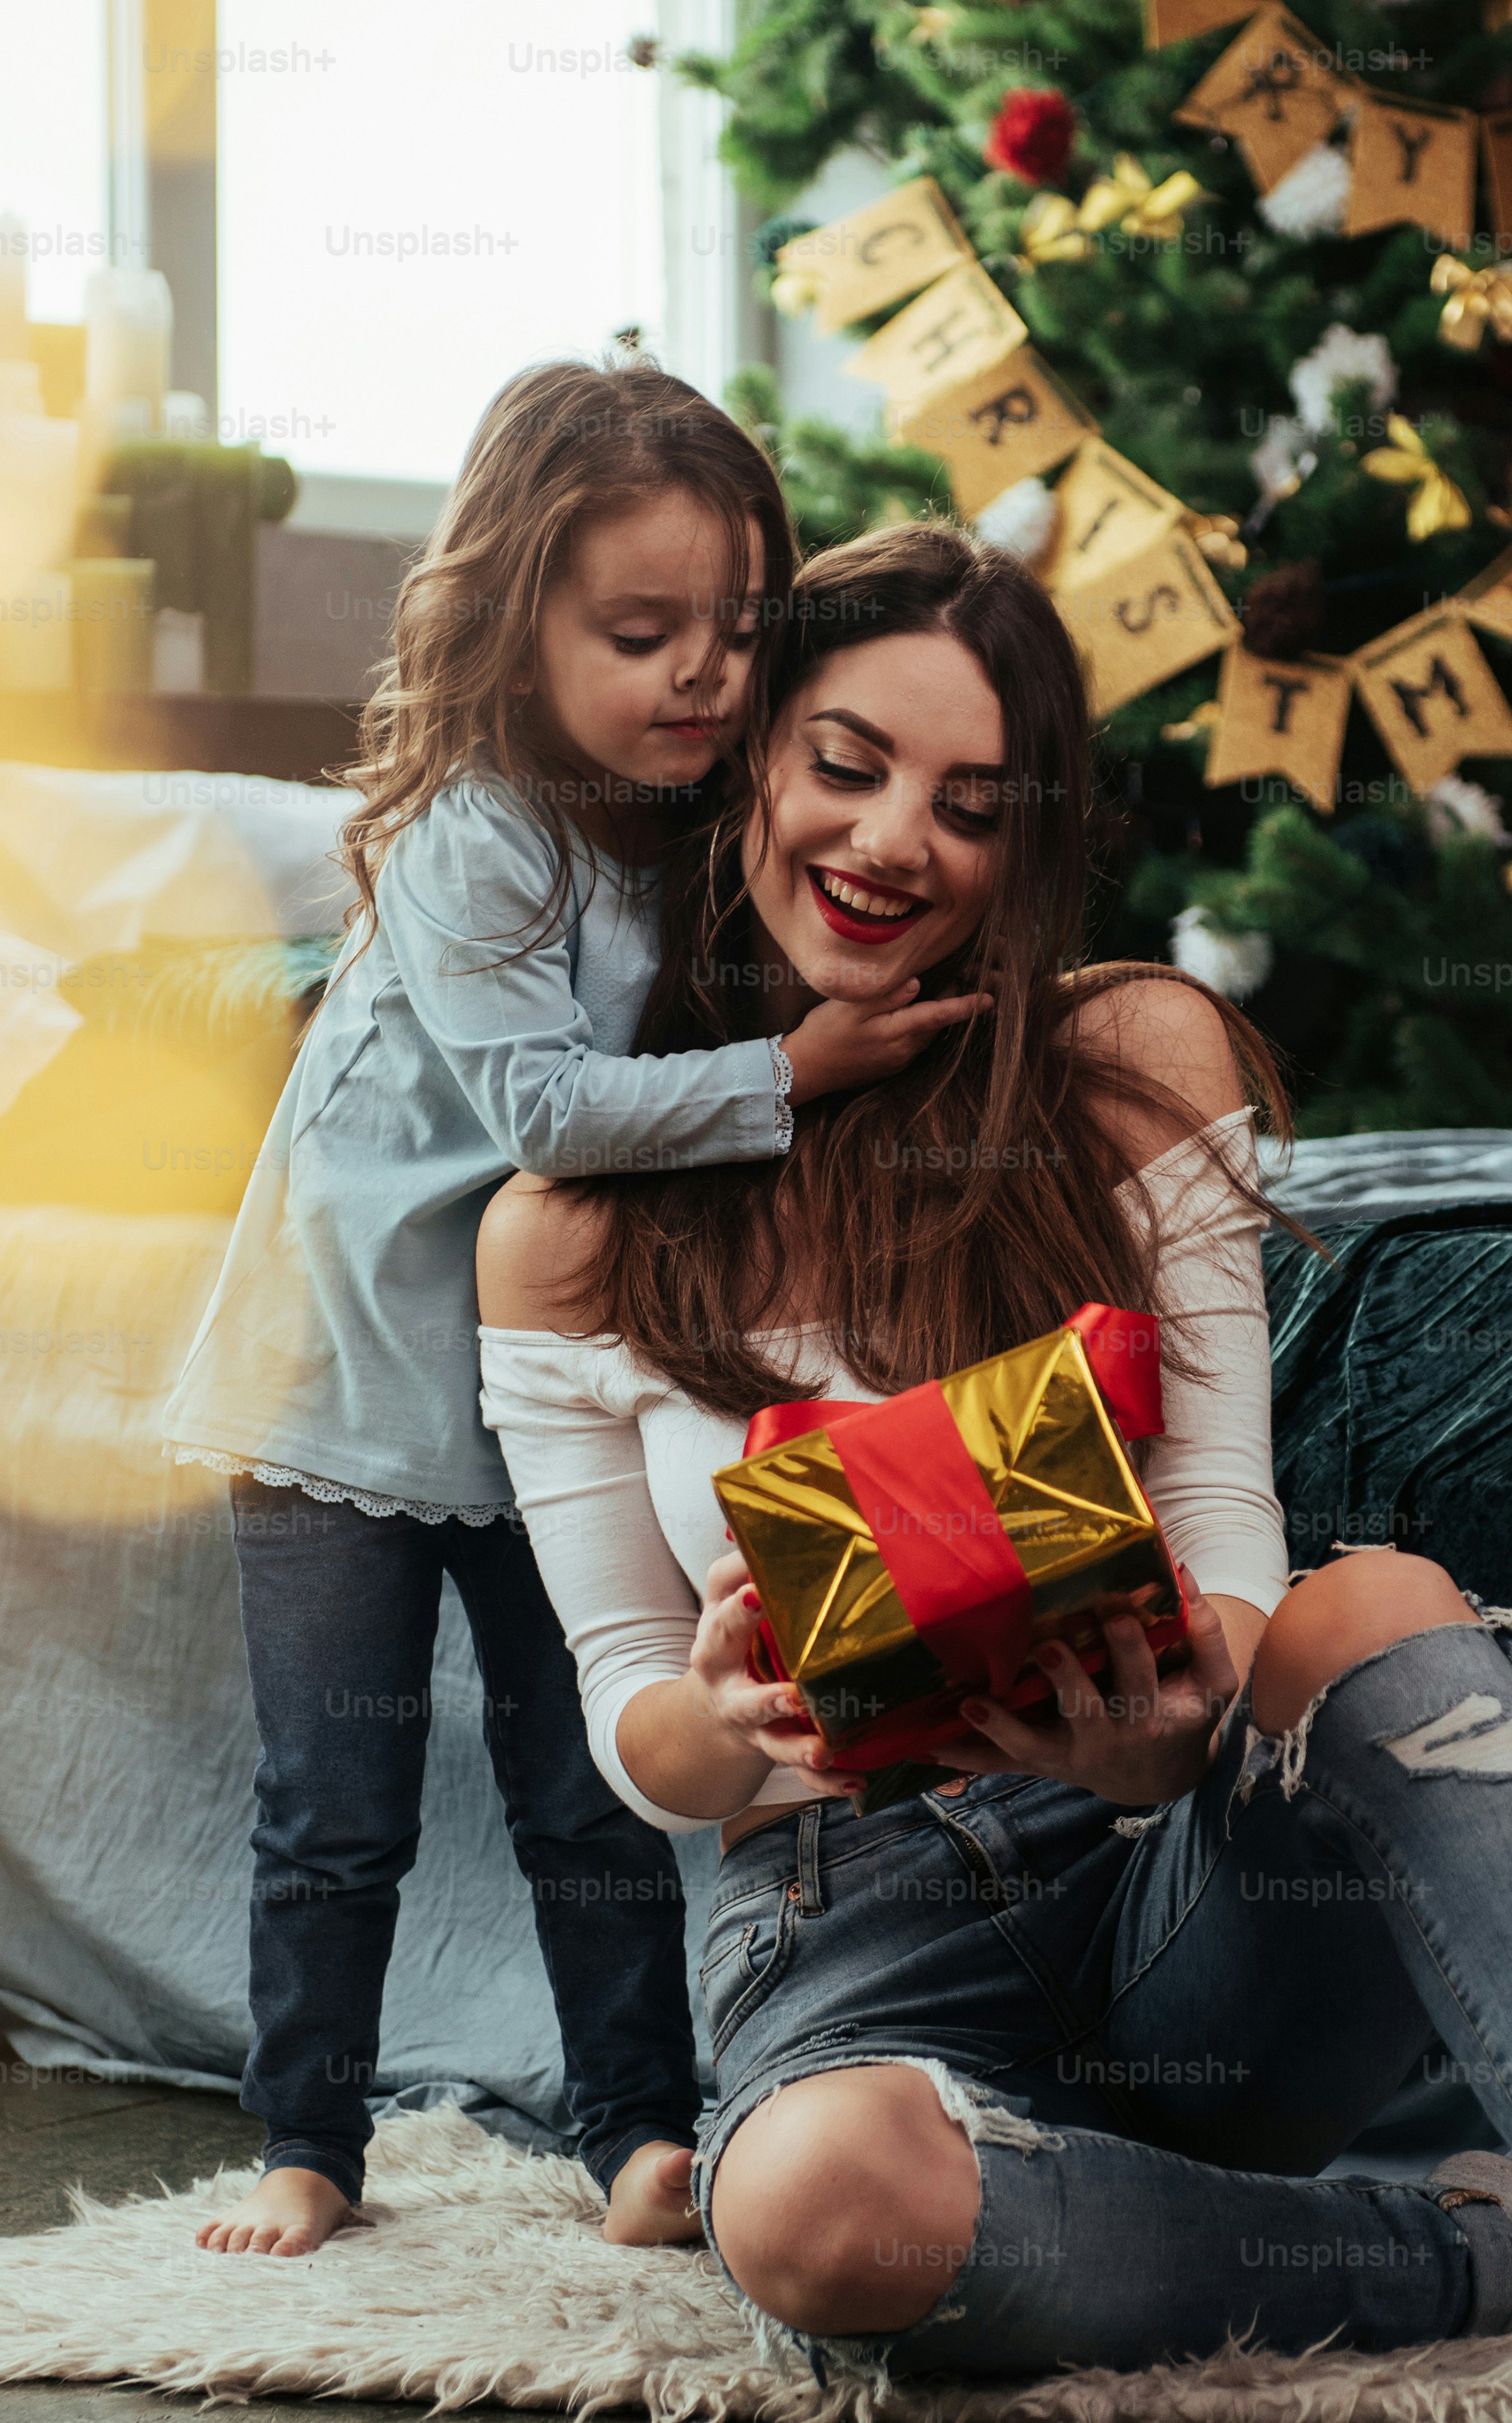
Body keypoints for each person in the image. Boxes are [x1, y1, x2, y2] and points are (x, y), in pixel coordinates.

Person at [473, 522, 1512, 2423]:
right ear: (750, 765)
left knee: (1377, 1598)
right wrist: (722, 1714)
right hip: (836, 1914)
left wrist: (1165, 1731)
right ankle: (1488, 2248)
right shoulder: (564, 1232)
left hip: (1166, 1884)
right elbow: (627, 1700)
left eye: (971, 806)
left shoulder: (1130, 1055)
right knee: (798, 2208)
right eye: (848, 764)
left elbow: (1223, 1530)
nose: (893, 844)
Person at [158, 363, 988, 2257]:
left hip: (537, 1386)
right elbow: (544, 1106)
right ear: (514, 625)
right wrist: (810, 1069)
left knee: (596, 1779)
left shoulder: (696, 821)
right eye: (641, 632)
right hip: (341, 1393)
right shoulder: (480, 829)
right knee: (335, 1802)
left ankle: (642, 2126)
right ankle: (306, 2138)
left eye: (741, 631)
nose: (702, 674)